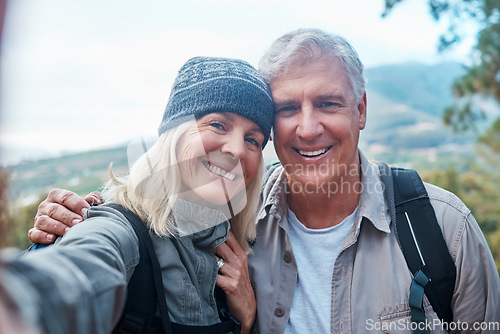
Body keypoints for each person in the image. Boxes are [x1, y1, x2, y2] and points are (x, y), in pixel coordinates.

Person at [29, 29, 500, 333]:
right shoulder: (234, 232)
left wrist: (246, 320)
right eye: (288, 109)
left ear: (360, 110)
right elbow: (98, 256)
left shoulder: (442, 229)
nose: (308, 127)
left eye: (329, 104)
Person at [1, 56, 276, 334]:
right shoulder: (117, 229)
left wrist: (246, 321)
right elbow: (73, 278)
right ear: (175, 133)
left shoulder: (234, 249)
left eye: (252, 139)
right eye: (218, 124)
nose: (238, 150)